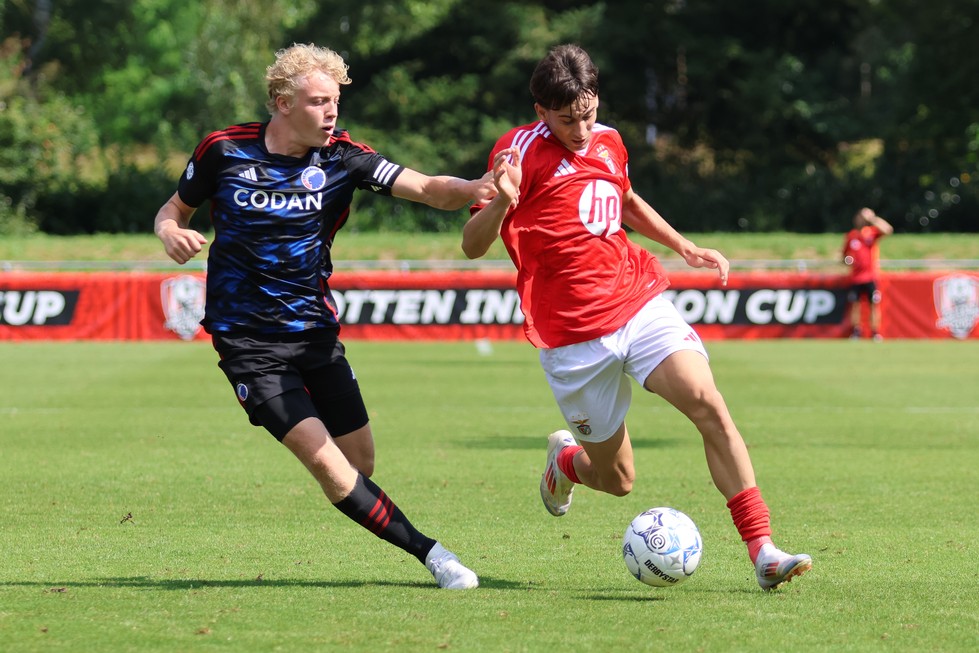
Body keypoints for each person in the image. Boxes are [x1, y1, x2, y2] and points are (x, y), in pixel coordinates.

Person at [462, 44, 812, 591]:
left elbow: (623, 200)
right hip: (572, 338)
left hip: (637, 300)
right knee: (618, 480)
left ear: (596, 99)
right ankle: (568, 464)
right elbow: (471, 245)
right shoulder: (517, 154)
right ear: (539, 111)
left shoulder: (610, 141)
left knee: (709, 404)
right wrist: (502, 202)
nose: (580, 130)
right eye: (565, 120)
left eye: (587, 114)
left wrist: (684, 246)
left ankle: (762, 549)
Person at [153, 43, 495, 589]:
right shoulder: (224, 150)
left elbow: (429, 188)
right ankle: (435, 556)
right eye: (317, 102)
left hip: (314, 333)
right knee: (328, 465)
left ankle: (357, 495)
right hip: (248, 346)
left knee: (360, 463)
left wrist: (476, 187)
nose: (331, 112)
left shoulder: (343, 157)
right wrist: (171, 231)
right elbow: (175, 208)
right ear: (280, 102)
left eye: (335, 101)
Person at [842, 207, 893, 340]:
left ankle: (875, 332)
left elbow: (888, 230)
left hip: (871, 277)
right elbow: (844, 256)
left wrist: (872, 218)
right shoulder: (851, 236)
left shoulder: (871, 233)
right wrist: (848, 261)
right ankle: (856, 331)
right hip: (856, 278)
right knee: (855, 305)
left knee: (874, 305)